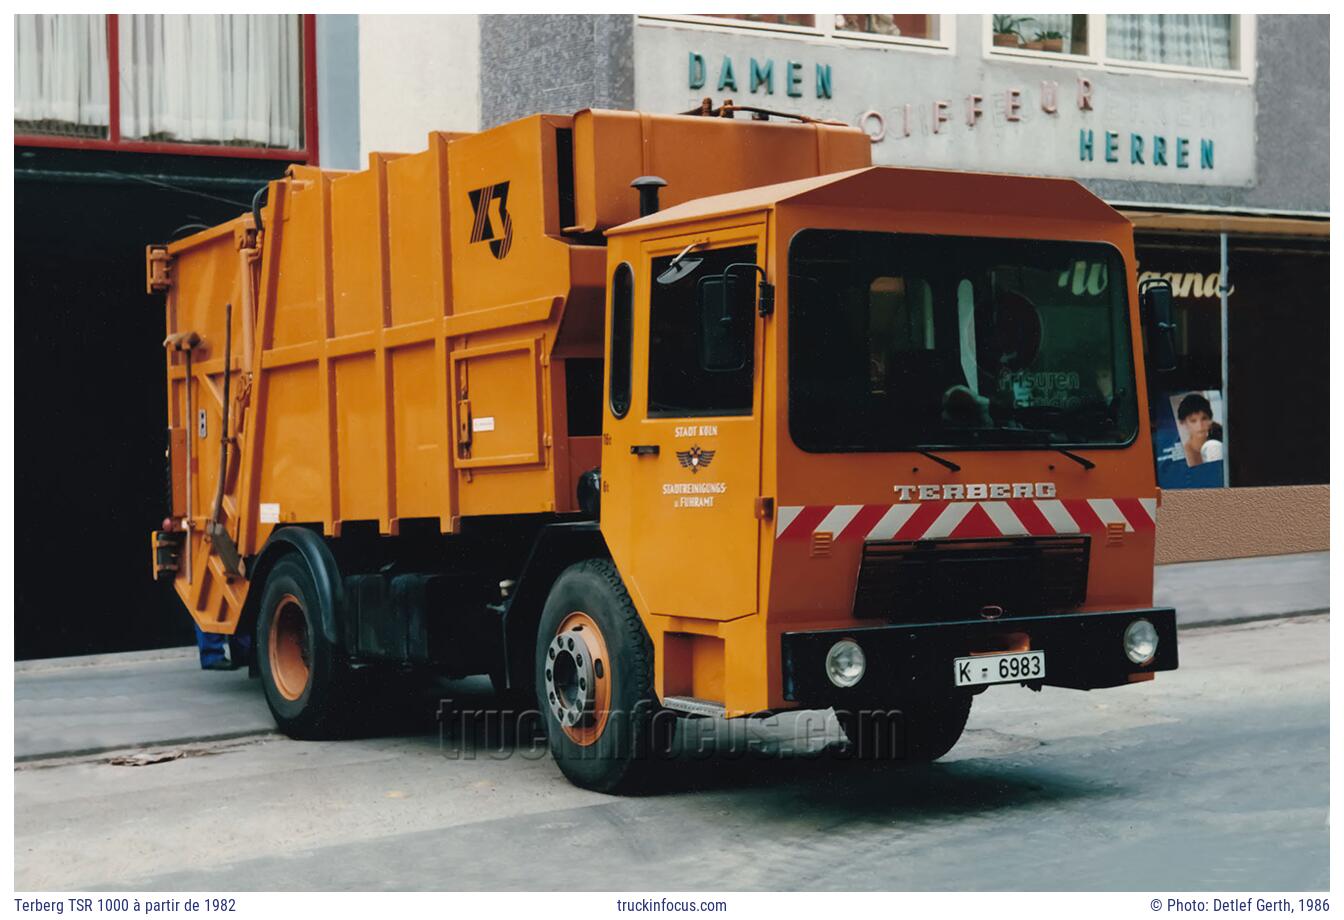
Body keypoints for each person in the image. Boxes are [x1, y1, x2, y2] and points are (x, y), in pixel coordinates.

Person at [1176, 392, 1215, 467]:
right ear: (1183, 423)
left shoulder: (1218, 436)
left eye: (1204, 418)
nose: (1200, 425)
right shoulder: (1185, 455)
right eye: (1193, 421)